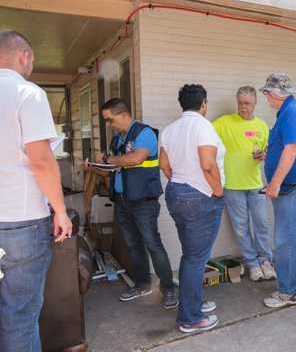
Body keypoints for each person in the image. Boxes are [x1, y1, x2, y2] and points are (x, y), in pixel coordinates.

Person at [0, 29, 73, 352]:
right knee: (19, 314)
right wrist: (59, 210)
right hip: (22, 219)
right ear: (24, 57)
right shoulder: (26, 93)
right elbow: (42, 161)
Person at [79, 98, 176, 309]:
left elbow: (135, 159)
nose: (107, 124)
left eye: (109, 119)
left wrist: (104, 158)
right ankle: (142, 285)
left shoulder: (145, 133)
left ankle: (168, 289)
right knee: (134, 245)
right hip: (122, 201)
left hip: (143, 202)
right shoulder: (118, 139)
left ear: (123, 114)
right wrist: (94, 168)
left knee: (153, 245)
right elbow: (114, 168)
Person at [160, 84, 226, 333]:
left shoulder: (170, 129)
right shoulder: (202, 126)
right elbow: (208, 166)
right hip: (200, 196)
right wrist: (219, 194)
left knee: (191, 255)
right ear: (203, 103)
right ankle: (190, 318)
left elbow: (165, 166)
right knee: (197, 258)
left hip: (175, 192)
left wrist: (181, 183)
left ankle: (193, 303)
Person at [259, 73, 296, 308]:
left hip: (293, 183)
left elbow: (292, 150)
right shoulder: (288, 111)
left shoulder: (291, 112)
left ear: (274, 93)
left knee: (286, 238)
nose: (266, 98)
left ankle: (288, 292)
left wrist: (274, 182)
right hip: (295, 182)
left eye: (266, 93)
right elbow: (284, 147)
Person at [212, 86, 276, 282]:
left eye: (247, 103)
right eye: (240, 103)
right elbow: (203, 136)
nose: (243, 106)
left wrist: (265, 154)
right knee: (241, 227)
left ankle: (266, 261)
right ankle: (252, 264)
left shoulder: (262, 126)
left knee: (261, 224)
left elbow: (269, 150)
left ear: (255, 103)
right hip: (232, 185)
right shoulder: (224, 122)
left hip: (255, 184)